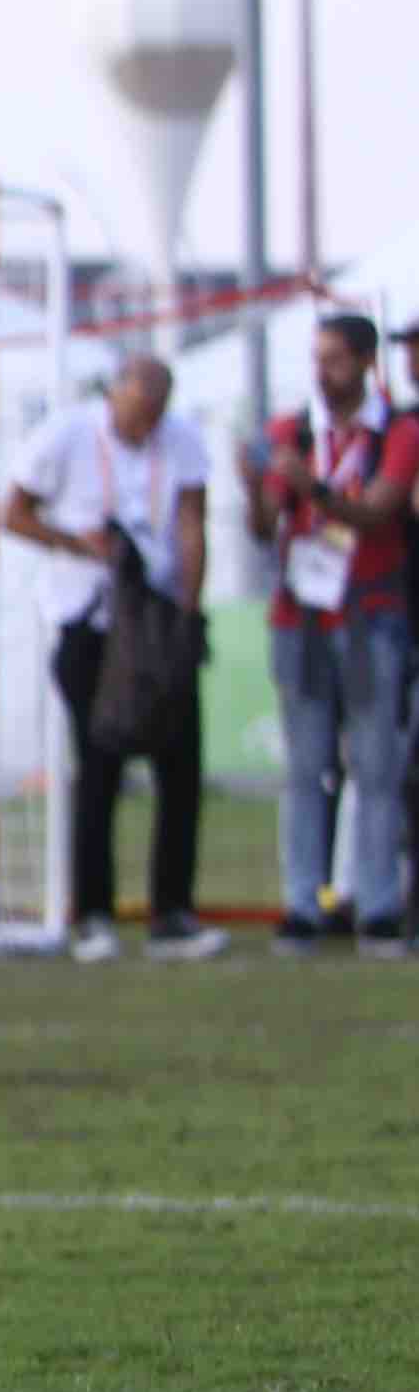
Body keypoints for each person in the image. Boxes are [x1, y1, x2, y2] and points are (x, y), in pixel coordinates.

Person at [0, 353, 222, 962]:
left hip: (157, 624)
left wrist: (189, 614)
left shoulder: (183, 439)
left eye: (158, 412)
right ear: (115, 394)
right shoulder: (66, 434)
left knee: (181, 764)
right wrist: (77, 545)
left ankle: (172, 913)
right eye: (139, 410)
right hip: (89, 621)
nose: (148, 424)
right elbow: (12, 514)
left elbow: (192, 523)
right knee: (99, 767)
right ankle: (94, 915)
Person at [253, 317, 418, 950]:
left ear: (367, 363)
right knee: (305, 767)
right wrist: (258, 488)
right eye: (317, 359)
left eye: (336, 361)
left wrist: (313, 488)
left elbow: (378, 512)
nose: (322, 374)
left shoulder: (399, 433)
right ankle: (302, 903)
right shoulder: (291, 432)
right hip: (301, 617)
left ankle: (377, 906)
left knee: (376, 767)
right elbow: (267, 523)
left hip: (372, 617)